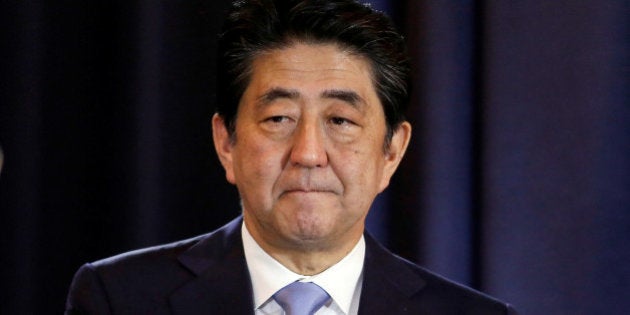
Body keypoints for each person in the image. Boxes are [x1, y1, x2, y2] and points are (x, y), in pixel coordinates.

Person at [65, 0, 516, 314]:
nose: (308, 154)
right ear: (226, 142)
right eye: (279, 118)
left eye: (340, 120)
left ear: (392, 151)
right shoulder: (119, 299)